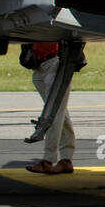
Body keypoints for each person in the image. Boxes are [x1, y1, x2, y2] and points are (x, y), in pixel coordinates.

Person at [22, 42, 78, 175]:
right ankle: (66, 158)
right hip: (39, 65)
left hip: (55, 63)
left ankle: (48, 160)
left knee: (54, 113)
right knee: (59, 112)